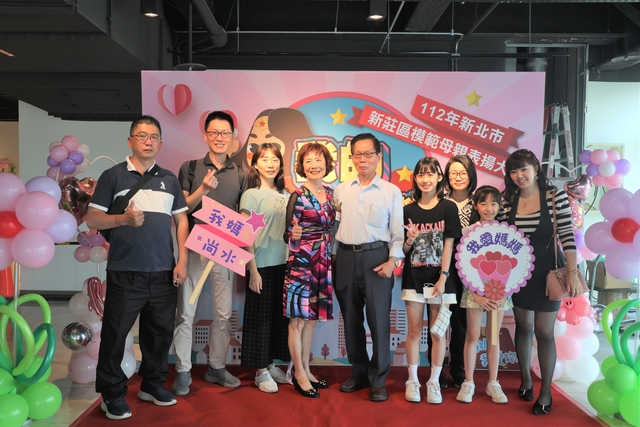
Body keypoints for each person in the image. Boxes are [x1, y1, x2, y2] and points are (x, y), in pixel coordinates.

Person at [87, 115, 189, 420]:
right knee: (115, 335)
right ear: (130, 141)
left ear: (160, 143)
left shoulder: (169, 179)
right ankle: (111, 394)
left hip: (163, 272)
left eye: (154, 136)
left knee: (159, 334)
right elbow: (93, 218)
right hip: (125, 270)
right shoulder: (113, 176)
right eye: (142, 136)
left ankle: (152, 385)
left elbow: (182, 220)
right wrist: (123, 219)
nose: (148, 141)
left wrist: (182, 260)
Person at [171, 111, 260, 395]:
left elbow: (245, 216)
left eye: (225, 133)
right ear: (206, 135)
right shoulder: (191, 168)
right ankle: (182, 370)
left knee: (223, 314)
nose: (219, 138)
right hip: (194, 246)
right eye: (214, 132)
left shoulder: (242, 173)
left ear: (233, 137)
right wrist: (203, 189)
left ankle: (217, 367)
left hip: (225, 250)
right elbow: (181, 209)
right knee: (186, 312)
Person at [499, 149, 580, 415]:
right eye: (513, 171)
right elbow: (500, 236)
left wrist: (572, 272)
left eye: (524, 168)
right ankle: (525, 380)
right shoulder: (507, 200)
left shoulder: (554, 196)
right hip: (518, 273)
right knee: (523, 326)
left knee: (544, 331)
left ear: (535, 168)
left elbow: (567, 234)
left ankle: (545, 391)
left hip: (548, 273)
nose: (519, 175)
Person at [333, 132, 404, 402]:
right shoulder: (341, 190)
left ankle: (379, 378)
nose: (362, 159)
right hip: (345, 258)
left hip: (377, 259)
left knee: (378, 321)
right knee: (351, 319)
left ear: (378, 156)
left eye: (368, 154)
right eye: (358, 154)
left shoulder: (391, 191)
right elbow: (334, 228)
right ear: (351, 158)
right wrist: (333, 259)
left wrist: (392, 261)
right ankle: (359, 371)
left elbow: (398, 233)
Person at [402, 157, 461, 404]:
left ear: (439, 177)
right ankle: (413, 381)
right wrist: (409, 239)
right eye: (421, 175)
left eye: (430, 174)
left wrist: (443, 277)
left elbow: (449, 245)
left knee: (438, 333)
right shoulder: (408, 210)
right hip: (413, 279)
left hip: (440, 280)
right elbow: (404, 250)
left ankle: (434, 382)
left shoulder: (448, 208)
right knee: (415, 330)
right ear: (415, 179)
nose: (425, 179)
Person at [284, 143, 336, 398]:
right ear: (301, 167)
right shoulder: (298, 195)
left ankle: (306, 368)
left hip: (323, 263)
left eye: (318, 160)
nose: (314, 165)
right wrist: (293, 235)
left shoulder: (332, 194)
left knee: (312, 320)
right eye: (308, 161)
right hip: (302, 264)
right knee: (297, 321)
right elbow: (287, 234)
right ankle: (299, 374)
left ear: (327, 163)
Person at [240, 143, 291, 393]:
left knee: (277, 319)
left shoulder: (286, 194)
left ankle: (270, 364)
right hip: (261, 265)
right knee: (259, 319)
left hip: (285, 265)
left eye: (275, 159)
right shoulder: (251, 194)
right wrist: (253, 270)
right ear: (255, 164)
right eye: (264, 159)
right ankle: (260, 371)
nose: (270, 164)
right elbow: (245, 234)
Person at [456, 185, 512, 404]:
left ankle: (493, 383)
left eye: (494, 203)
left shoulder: (506, 233)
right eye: (483, 203)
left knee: (493, 336)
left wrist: (504, 292)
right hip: (474, 293)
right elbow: (463, 265)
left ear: (499, 206)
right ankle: (468, 381)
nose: (489, 208)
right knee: (472, 335)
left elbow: (513, 265)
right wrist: (476, 294)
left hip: (500, 293)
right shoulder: (467, 232)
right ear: (476, 206)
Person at [440, 155, 480, 388]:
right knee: (438, 321)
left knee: (460, 323)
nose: (458, 177)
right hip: (442, 268)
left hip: (469, 270)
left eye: (463, 173)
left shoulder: (479, 204)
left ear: (471, 175)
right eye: (453, 173)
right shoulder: (439, 201)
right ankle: (437, 370)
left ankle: (457, 369)